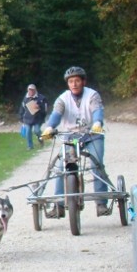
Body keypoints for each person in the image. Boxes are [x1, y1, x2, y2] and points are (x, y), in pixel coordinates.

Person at [41, 66, 109, 217]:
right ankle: (58, 205)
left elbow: (97, 110)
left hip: (92, 135)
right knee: (60, 167)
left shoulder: (93, 95)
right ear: (68, 84)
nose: (74, 84)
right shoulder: (63, 99)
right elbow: (56, 114)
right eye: (71, 81)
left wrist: (98, 123)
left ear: (83, 82)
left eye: (77, 81)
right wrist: (50, 127)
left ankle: (101, 203)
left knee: (96, 163)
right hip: (70, 138)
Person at [19, 84, 47, 150]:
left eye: (32, 90)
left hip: (37, 118)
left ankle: (41, 139)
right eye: (29, 90)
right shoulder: (25, 98)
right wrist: (20, 117)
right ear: (28, 90)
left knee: (37, 131)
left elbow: (45, 110)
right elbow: (22, 108)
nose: (30, 91)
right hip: (27, 119)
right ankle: (30, 146)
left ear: (35, 90)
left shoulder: (41, 98)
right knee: (28, 132)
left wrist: (39, 107)